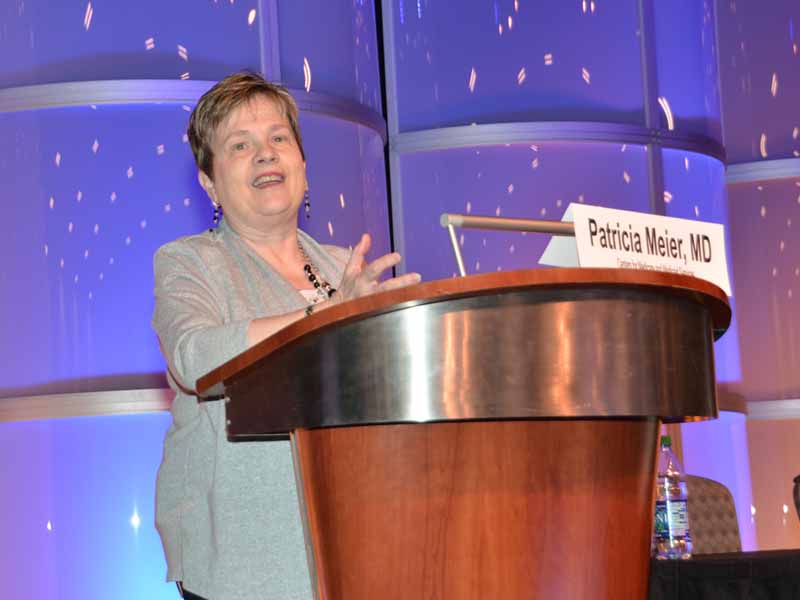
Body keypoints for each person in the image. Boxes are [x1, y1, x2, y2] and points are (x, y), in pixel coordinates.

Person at [152, 71, 421, 600]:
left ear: (302, 164)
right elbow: (194, 359)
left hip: (358, 543)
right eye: (240, 145)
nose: (265, 154)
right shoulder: (189, 262)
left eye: (278, 138)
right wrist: (329, 314)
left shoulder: (346, 267)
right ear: (209, 182)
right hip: (244, 558)